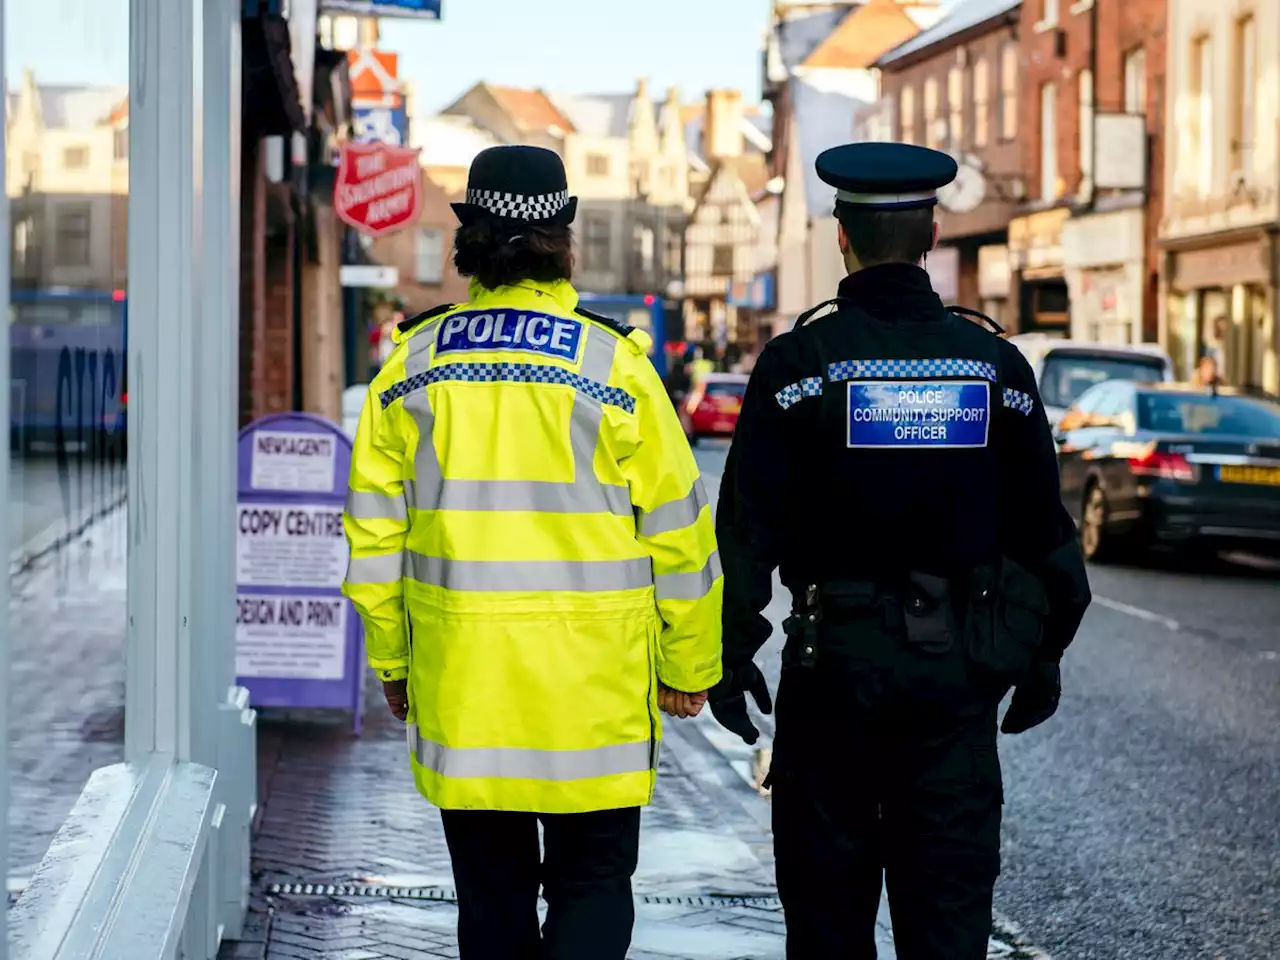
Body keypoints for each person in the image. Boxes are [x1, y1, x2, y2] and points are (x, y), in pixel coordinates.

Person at [708, 142, 1092, 959]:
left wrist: (731, 653)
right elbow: (1045, 534)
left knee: (827, 921)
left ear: (840, 237)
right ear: (933, 236)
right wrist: (1043, 656)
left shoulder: (796, 367)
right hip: (954, 683)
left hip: (831, 672)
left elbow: (747, 530)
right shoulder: (996, 367)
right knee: (948, 924)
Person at [341, 144, 723, 960]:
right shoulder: (615, 365)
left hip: (467, 688)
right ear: (564, 237)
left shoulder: (409, 368)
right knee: (592, 889)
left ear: (469, 239)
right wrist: (689, 667)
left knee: (491, 902)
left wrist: (395, 664)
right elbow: (681, 535)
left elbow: (374, 542)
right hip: (593, 698)